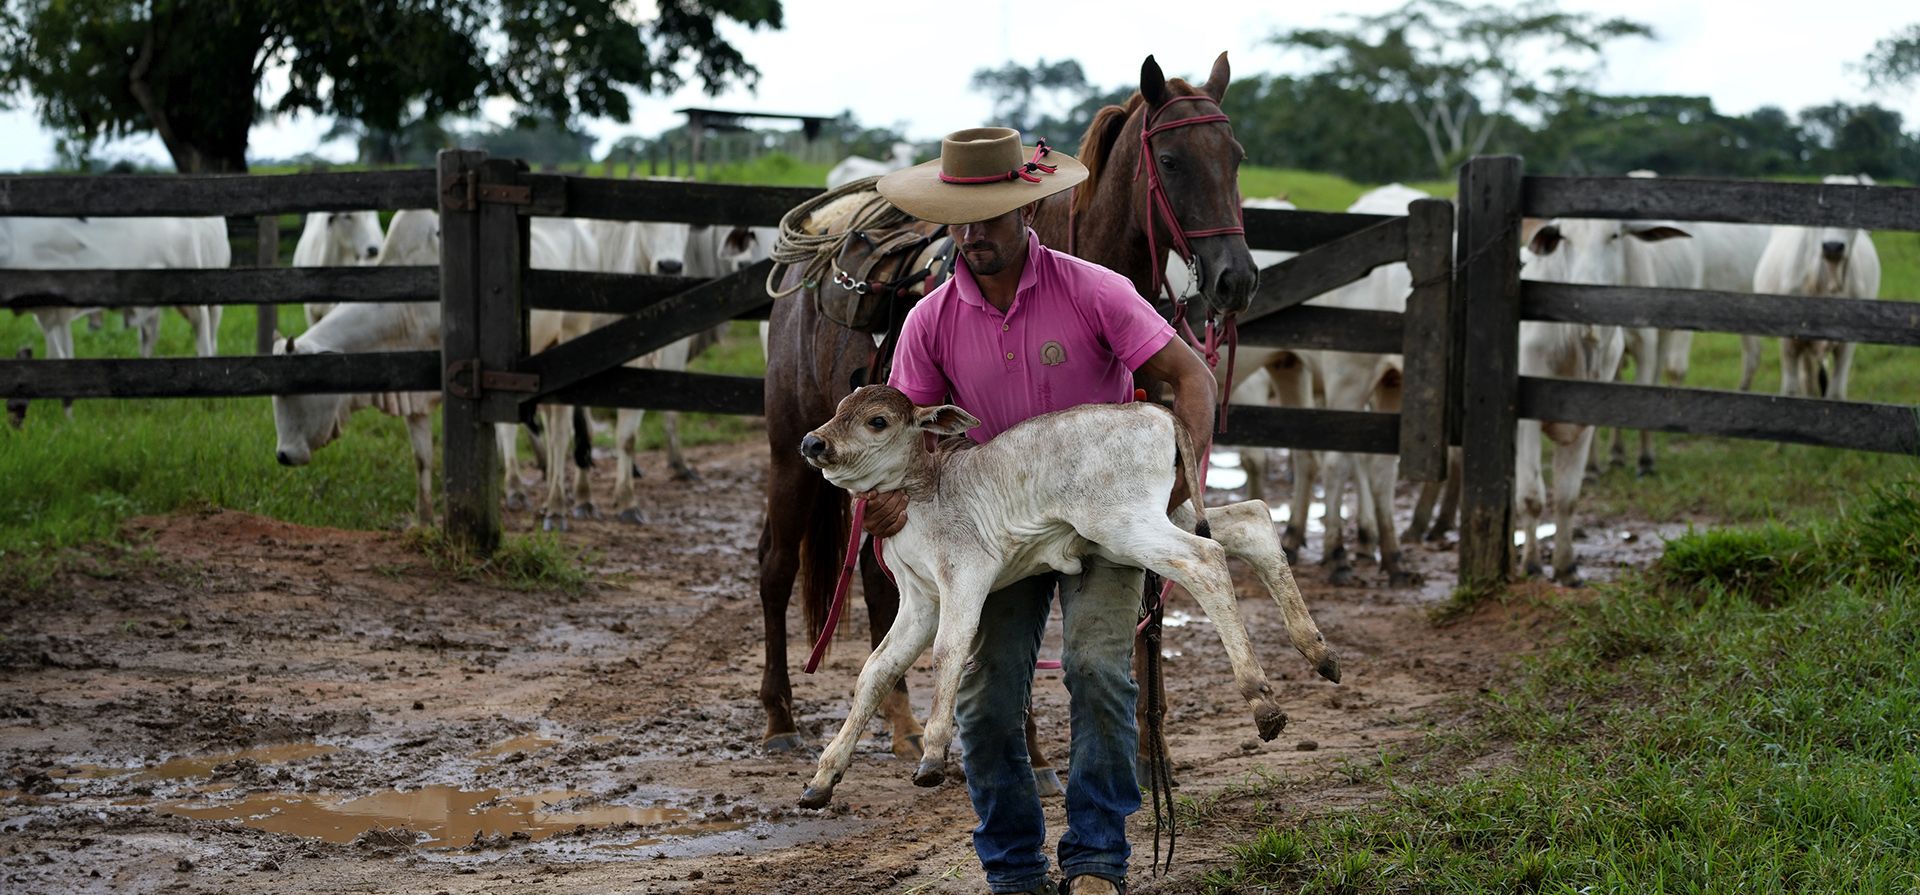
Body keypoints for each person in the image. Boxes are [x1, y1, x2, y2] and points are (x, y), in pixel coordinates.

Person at [867, 127, 1217, 895]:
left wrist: (1182, 487)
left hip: (1102, 513)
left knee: (1097, 669)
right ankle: (1015, 867)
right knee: (985, 697)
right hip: (995, 527)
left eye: (989, 220)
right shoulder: (929, 321)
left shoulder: (1093, 288)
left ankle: (1096, 858)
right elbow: (903, 444)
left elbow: (1187, 375)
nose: (971, 236)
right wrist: (890, 499)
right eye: (960, 220)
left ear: (1027, 212)